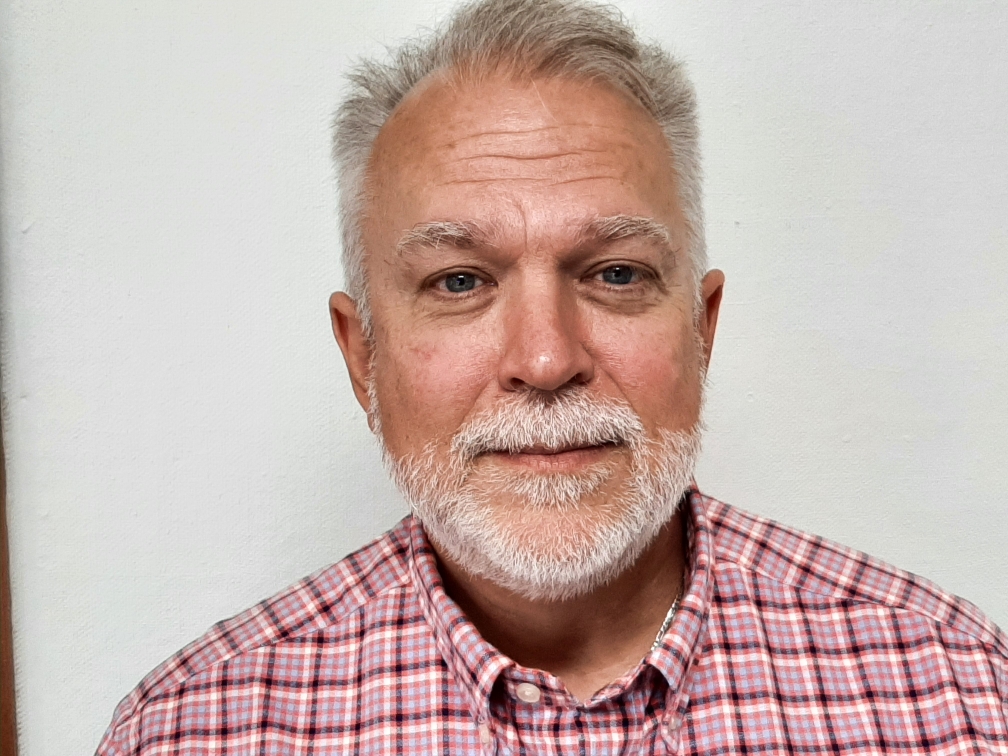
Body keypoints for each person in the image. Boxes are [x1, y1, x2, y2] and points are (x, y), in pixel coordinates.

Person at [97, 0, 1007, 753]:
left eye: (616, 274)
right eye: (460, 282)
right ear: (362, 357)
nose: (544, 361)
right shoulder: (192, 730)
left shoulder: (963, 693)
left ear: (702, 330)